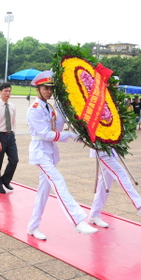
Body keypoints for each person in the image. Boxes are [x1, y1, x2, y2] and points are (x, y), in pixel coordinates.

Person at [26, 71, 98, 239]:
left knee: (43, 192)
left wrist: (62, 111)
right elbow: (45, 134)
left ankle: (32, 227)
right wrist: (71, 136)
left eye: (51, 89)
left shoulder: (49, 107)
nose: (49, 92)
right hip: (40, 151)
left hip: (49, 152)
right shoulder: (34, 109)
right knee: (58, 181)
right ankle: (78, 221)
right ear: (38, 89)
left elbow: (56, 130)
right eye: (45, 88)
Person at [88, 148, 141, 228]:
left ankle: (94, 215)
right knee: (121, 175)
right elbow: (79, 136)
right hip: (102, 152)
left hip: (108, 149)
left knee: (104, 184)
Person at [0, 82, 19, 194]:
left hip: (10, 136)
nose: (8, 93)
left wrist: (13, 133)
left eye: (9, 91)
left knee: (14, 160)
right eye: (5, 91)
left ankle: (5, 180)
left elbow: (13, 121)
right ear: (0, 92)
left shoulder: (12, 106)